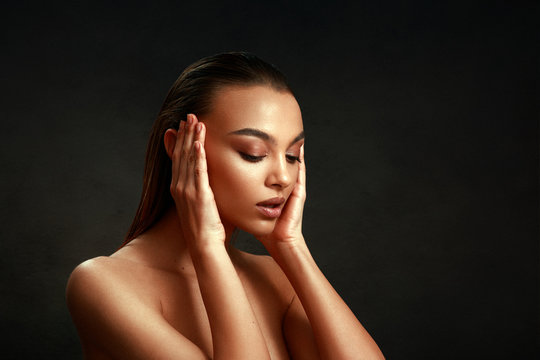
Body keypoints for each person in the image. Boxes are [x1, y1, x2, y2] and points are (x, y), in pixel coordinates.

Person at [66, 52, 385, 359]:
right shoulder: (103, 284)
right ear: (179, 149)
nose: (283, 177)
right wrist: (207, 246)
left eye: (292, 156)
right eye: (254, 153)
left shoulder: (275, 278)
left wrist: (291, 246)